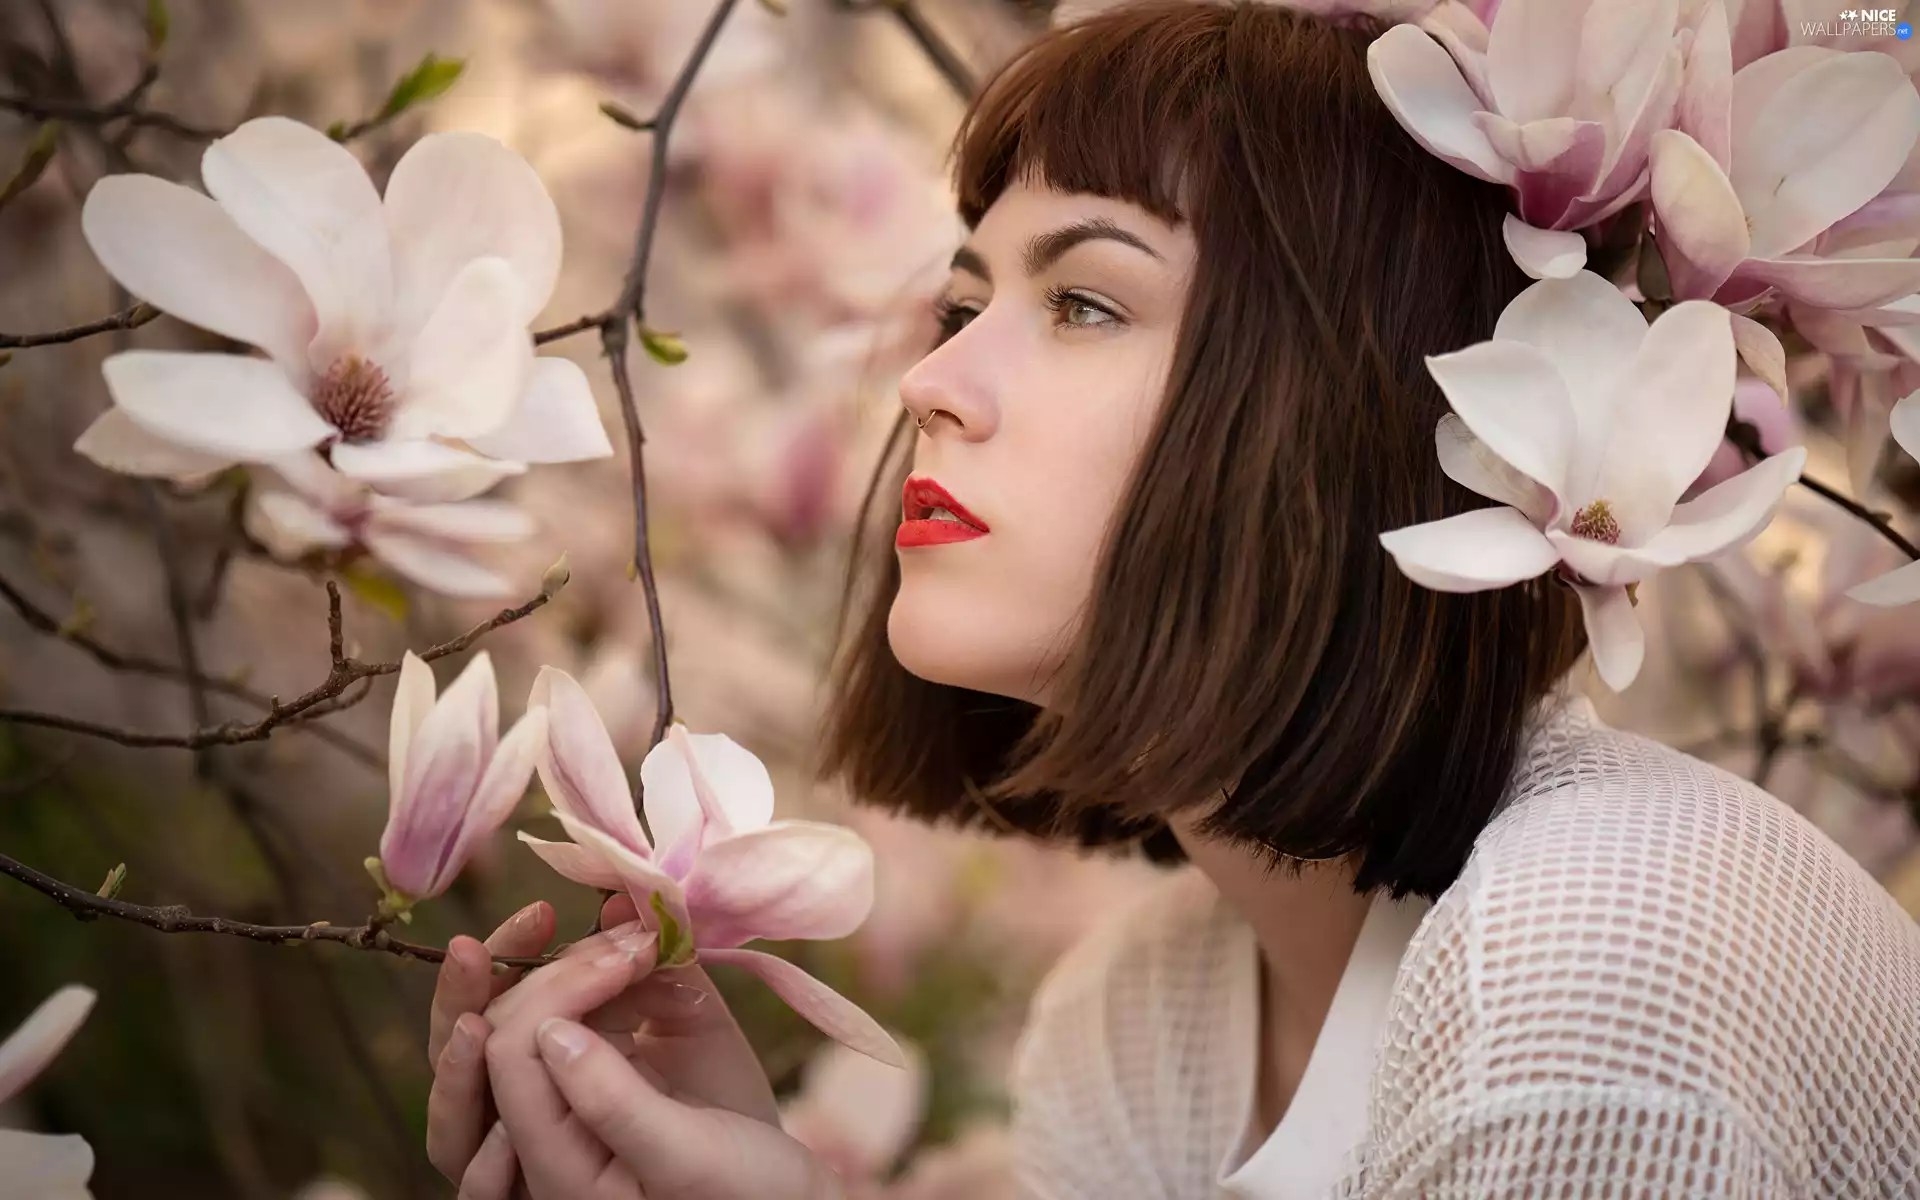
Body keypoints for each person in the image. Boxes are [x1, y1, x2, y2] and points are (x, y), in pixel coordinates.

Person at [421, 3, 1920, 1197]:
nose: (932, 380)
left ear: (1335, 410)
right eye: (965, 304)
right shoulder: (1133, 1032)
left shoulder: (1591, 981)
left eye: (1084, 300)